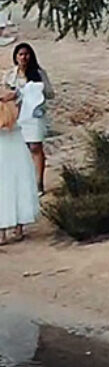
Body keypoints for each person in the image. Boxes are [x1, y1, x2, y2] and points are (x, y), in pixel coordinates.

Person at [0, 85, 34, 241]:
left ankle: (15, 227)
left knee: (15, 182)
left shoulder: (12, 92)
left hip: (12, 142)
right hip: (10, 142)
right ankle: (9, 229)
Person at [9, 45, 44, 194]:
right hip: (18, 114)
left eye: (26, 54)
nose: (24, 57)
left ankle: (39, 182)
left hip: (34, 115)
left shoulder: (39, 73)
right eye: (21, 54)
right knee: (21, 149)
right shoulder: (11, 75)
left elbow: (49, 92)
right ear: (16, 57)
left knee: (35, 147)